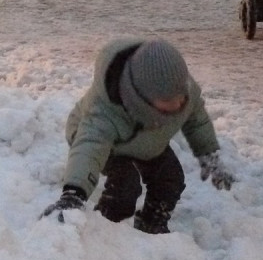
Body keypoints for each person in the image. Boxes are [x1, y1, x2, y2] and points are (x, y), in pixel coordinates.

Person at [42, 38, 234, 234]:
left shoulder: (183, 92)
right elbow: (89, 148)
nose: (179, 105)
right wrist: (73, 193)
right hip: (109, 144)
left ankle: (152, 223)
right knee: (125, 188)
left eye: (181, 97)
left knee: (170, 178)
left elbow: (197, 121)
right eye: (168, 101)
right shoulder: (104, 110)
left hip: (148, 138)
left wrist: (209, 155)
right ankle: (104, 229)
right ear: (142, 98)